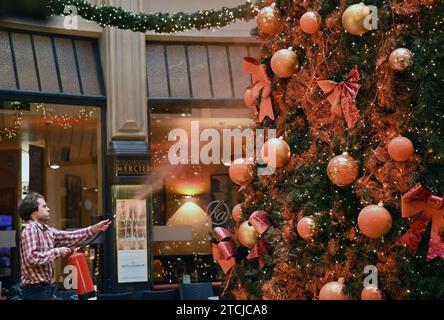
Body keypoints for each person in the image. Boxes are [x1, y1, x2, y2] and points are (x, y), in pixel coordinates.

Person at [18, 192, 112, 300]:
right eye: (44, 206)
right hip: (35, 292)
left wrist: (94, 228)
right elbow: (32, 258)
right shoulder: (31, 229)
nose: (48, 209)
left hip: (44, 290)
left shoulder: (46, 231)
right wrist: (58, 251)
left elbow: (70, 237)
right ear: (33, 211)